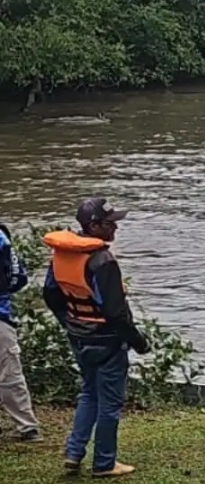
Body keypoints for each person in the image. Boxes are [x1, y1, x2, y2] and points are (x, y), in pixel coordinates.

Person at [42, 198, 149, 478]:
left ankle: (74, 453)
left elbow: (51, 295)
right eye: (110, 222)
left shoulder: (62, 254)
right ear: (94, 226)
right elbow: (116, 313)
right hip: (108, 341)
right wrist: (139, 342)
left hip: (79, 337)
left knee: (89, 393)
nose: (115, 226)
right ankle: (104, 463)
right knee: (110, 404)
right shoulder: (103, 261)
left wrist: (70, 322)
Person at [0, 223, 43, 442]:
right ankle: (27, 427)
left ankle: (27, 427)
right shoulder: (2, 238)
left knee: (10, 372)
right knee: (10, 374)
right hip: (1, 316)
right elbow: (19, 277)